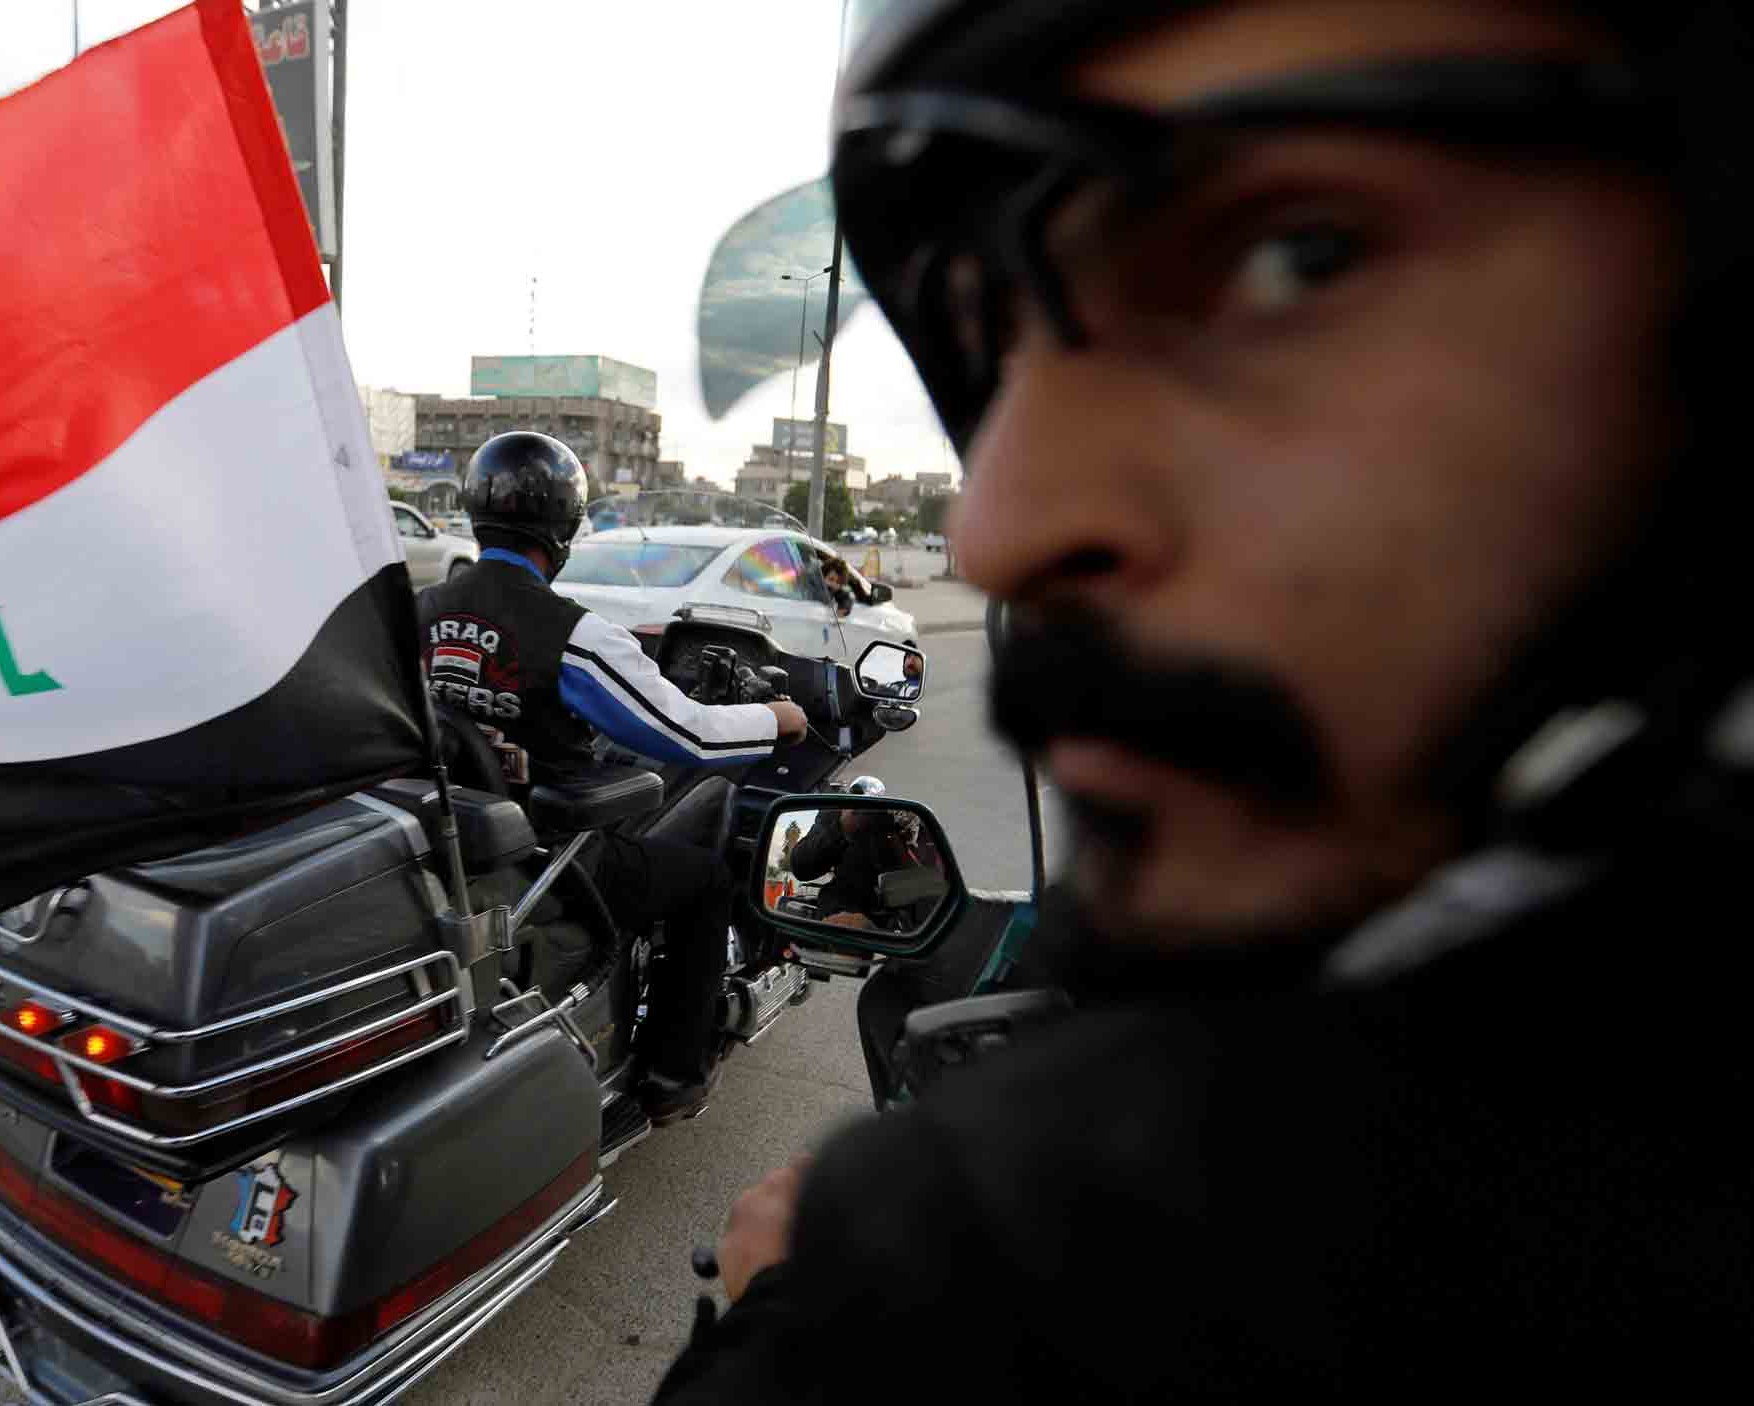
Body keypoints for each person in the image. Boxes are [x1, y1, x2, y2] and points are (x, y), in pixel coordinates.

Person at [655, 0, 1754, 1399]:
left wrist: (799, 1308)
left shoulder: (983, 1267)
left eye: (1292, 255)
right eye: (997, 344)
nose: (1002, 524)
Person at [420, 430, 809, 1123]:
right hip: (556, 855)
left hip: (456, 845)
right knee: (704, 878)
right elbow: (685, 732)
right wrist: (773, 717)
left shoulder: (420, 614)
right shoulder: (570, 634)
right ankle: (672, 1074)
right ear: (564, 525)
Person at [787, 807, 935, 930]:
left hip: (915, 921)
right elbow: (801, 866)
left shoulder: (918, 818)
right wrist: (842, 828)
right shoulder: (841, 808)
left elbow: (935, 878)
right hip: (846, 922)